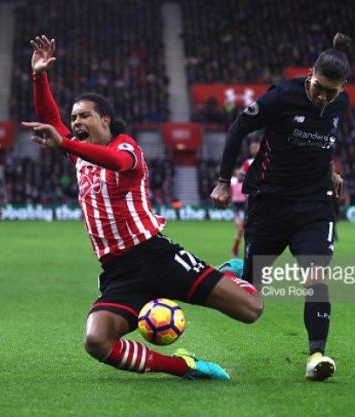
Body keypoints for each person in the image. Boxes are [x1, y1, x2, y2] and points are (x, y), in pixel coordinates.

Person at [24, 35, 263, 381]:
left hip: (156, 255)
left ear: (106, 120)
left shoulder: (128, 148)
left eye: (84, 116)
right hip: (119, 272)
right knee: (97, 340)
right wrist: (39, 75)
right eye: (73, 117)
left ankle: (225, 272)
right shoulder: (78, 148)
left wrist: (66, 144)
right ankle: (185, 367)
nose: (75, 123)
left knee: (252, 310)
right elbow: (50, 119)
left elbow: (116, 161)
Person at [211, 33, 351, 381]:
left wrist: (330, 169)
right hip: (269, 201)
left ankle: (317, 354)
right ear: (309, 74)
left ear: (343, 88)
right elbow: (237, 129)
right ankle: (235, 268)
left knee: (315, 276)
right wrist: (224, 180)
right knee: (251, 288)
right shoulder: (280, 97)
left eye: (331, 91)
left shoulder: (340, 103)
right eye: (318, 87)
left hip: (315, 205)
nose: (323, 96)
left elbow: (325, 141)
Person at [230, 141, 259, 257]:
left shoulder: (264, 161)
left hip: (249, 202)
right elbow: (241, 177)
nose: (253, 149)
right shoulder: (248, 164)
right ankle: (236, 250)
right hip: (238, 205)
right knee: (241, 229)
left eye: (255, 146)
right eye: (252, 147)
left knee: (248, 229)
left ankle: (243, 250)